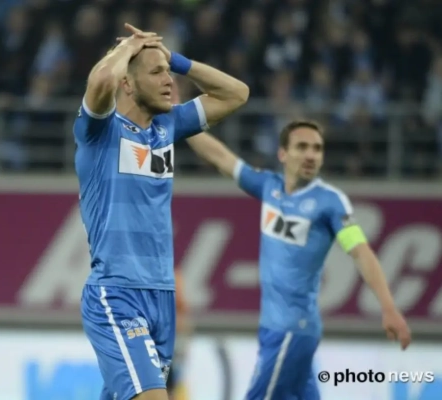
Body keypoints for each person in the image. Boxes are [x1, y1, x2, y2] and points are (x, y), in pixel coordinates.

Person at [74, 22, 249, 400]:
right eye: (157, 73)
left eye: (168, 72)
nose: (169, 80)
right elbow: (101, 81)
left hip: (162, 297)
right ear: (128, 84)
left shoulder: (168, 126)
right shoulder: (100, 131)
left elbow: (237, 93)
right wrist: (127, 48)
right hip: (117, 293)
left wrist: (177, 60)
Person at [186, 121, 412, 399]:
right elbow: (221, 157)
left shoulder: (330, 203)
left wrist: (388, 307)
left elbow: (361, 252)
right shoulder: (269, 187)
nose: (311, 155)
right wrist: (181, 120)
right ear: (283, 153)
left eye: (317, 149)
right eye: (302, 147)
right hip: (272, 329)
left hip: (292, 331)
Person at [166, 269, 193, 400]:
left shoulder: (173, 278)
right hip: (164, 344)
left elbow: (183, 313)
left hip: (171, 344)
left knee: (172, 382)